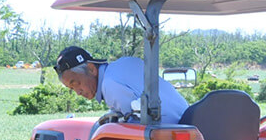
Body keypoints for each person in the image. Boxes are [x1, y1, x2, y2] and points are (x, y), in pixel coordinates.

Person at [54, 46, 188, 124]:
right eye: (71, 89)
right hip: (187, 121)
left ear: (91, 69)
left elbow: (134, 127)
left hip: (169, 133)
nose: (78, 92)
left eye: (76, 83)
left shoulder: (110, 85)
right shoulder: (124, 63)